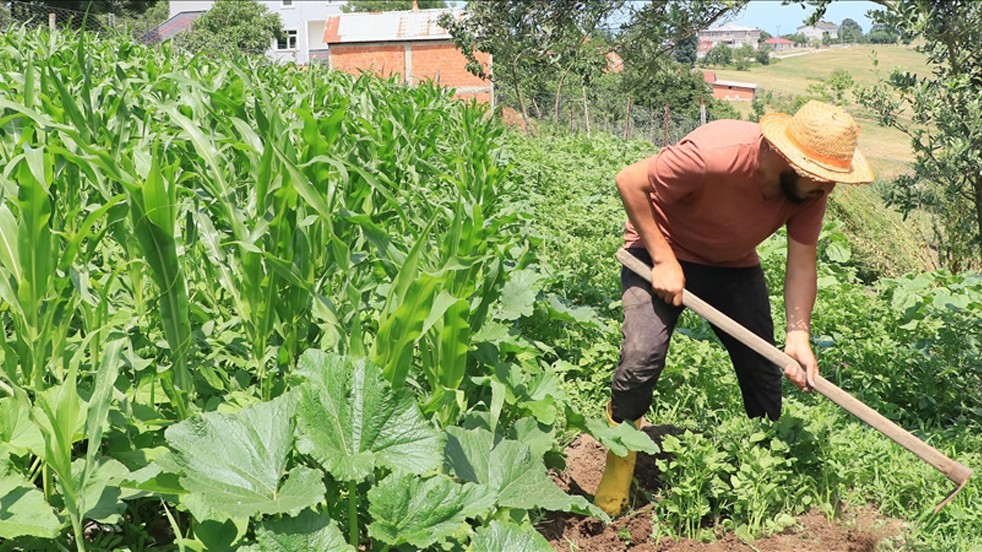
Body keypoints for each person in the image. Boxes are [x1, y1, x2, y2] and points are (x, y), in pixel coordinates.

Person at [594, 100, 874, 516]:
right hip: (660, 250)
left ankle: (761, 464)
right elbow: (630, 181)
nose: (828, 190)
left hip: (732, 264)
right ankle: (620, 462)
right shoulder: (713, 154)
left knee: (764, 371)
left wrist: (799, 333)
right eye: (822, 179)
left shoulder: (808, 192)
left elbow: (802, 261)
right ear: (787, 159)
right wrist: (664, 258)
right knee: (641, 356)